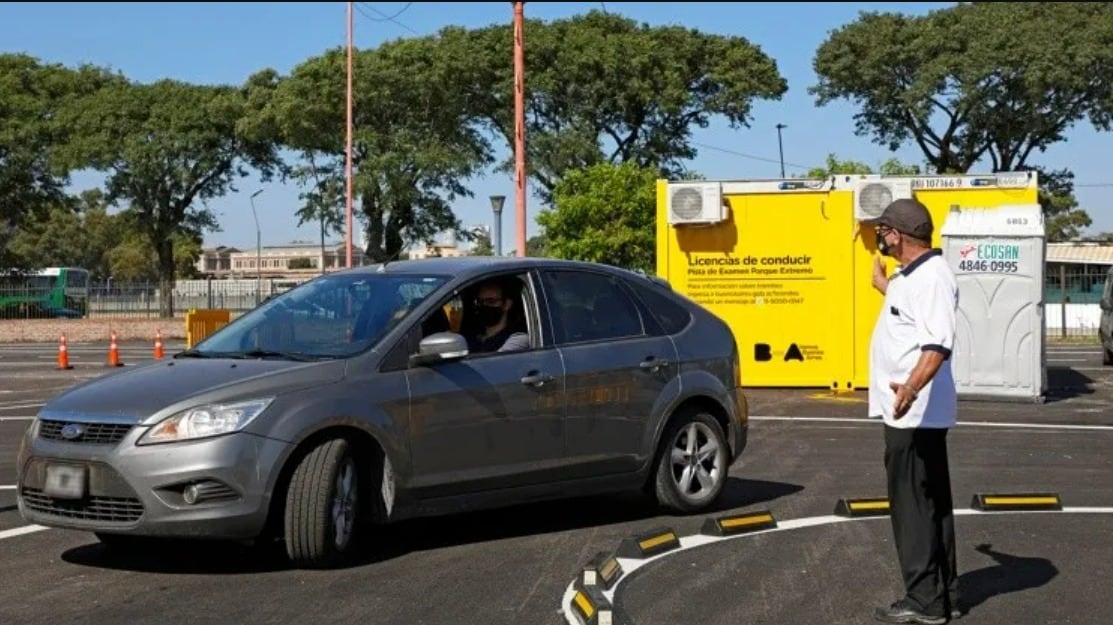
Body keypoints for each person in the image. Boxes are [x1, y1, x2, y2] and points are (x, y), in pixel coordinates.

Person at [866, 198, 961, 625]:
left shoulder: (933, 278)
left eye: (883, 230)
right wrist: (884, 285)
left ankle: (925, 599)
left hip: (913, 411)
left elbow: (937, 344)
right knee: (930, 502)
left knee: (912, 506)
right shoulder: (913, 276)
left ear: (898, 234)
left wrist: (909, 388)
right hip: (911, 409)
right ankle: (945, 595)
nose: (880, 237)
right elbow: (911, 314)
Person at [467, 278, 530, 353]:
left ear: (507, 304)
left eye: (491, 301)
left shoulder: (517, 339)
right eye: (480, 302)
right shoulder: (474, 337)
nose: (484, 305)